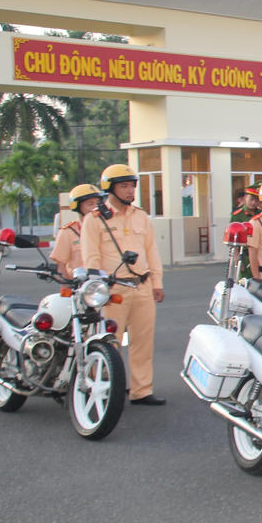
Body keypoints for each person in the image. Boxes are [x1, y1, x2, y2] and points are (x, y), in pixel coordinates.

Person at [81, 164, 166, 405]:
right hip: (112, 288)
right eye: (124, 186)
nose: (130, 191)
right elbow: (91, 257)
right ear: (110, 188)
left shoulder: (141, 216)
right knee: (109, 341)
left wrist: (156, 283)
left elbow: (151, 251)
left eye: (132, 186)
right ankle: (102, 388)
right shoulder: (94, 219)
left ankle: (142, 391)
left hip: (142, 286)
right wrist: (97, 288)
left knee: (143, 341)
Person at [50, 184, 104, 279]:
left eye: (98, 203)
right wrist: (66, 287)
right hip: (80, 285)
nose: (96, 208)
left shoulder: (109, 229)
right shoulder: (68, 232)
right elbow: (61, 265)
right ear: (78, 206)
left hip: (106, 283)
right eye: (90, 204)